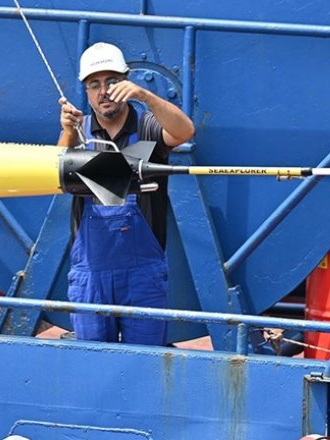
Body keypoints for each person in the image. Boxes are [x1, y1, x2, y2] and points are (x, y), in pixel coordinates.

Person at [58, 42, 195, 344]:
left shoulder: (148, 127)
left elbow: (184, 131)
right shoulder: (80, 135)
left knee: (143, 366)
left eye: (111, 82)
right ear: (87, 91)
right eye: (94, 85)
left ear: (125, 81)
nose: (103, 91)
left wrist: (145, 96)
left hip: (142, 278)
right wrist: (67, 131)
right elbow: (53, 174)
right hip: (90, 276)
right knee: (91, 365)